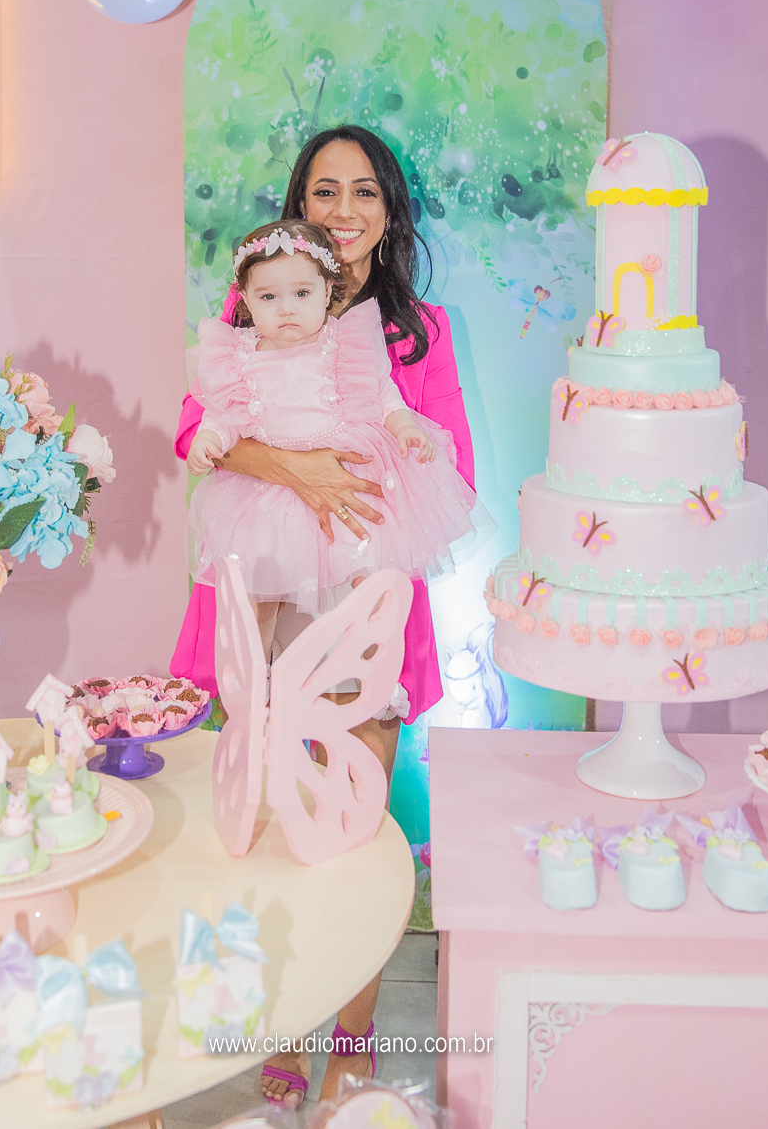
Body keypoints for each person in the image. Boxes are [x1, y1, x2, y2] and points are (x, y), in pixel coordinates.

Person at [171, 124, 478, 1103]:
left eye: (364, 192)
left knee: (351, 823)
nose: (343, 210)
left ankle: (352, 1037)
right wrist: (294, 469)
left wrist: (368, 467)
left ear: (390, 211)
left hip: (364, 606)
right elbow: (197, 432)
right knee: (268, 822)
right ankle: (284, 1018)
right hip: (269, 602)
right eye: (323, 191)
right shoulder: (255, 306)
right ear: (298, 206)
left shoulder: (417, 332)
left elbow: (452, 464)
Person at [185, 217, 482, 649]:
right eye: (268, 297)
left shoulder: (344, 344)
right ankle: (253, 673)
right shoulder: (238, 358)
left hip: (348, 478)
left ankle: (379, 667)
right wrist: (208, 440)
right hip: (267, 494)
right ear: (246, 300)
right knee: (256, 590)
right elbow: (224, 414)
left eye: (302, 294)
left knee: (370, 575)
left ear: (327, 292)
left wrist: (404, 426)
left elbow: (381, 394)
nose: (286, 309)